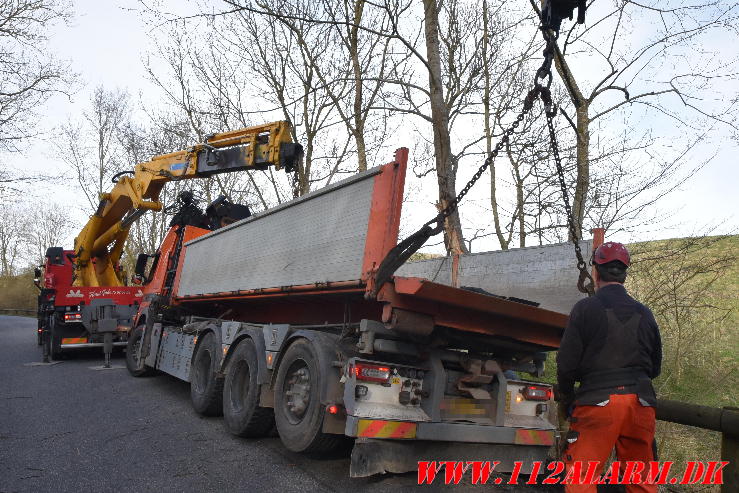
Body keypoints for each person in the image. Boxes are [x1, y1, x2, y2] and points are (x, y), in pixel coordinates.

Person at [556, 242, 662, 493]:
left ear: (595, 272)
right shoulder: (645, 313)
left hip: (599, 402)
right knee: (642, 478)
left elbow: (567, 363)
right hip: (641, 402)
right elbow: (655, 368)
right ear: (625, 273)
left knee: (581, 475)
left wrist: (568, 396)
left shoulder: (585, 308)